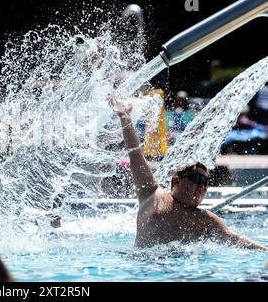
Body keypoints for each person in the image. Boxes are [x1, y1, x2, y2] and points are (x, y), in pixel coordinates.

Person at [108, 95, 268, 250]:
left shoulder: (206, 220)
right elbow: (136, 153)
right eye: (196, 178)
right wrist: (124, 116)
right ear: (176, 181)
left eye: (205, 182)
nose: (201, 186)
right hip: (140, 269)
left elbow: (237, 240)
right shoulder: (152, 194)